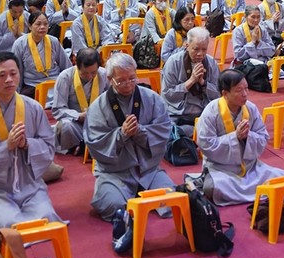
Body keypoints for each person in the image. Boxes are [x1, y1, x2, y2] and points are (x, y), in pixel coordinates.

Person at [0, 52, 61, 237]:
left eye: (13, 74)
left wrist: (27, 144)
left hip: (29, 183)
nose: (9, 80)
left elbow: (48, 145)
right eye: (2, 75)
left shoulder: (33, 108)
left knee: (47, 220)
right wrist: (6, 146)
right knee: (10, 226)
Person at [84, 53, 174, 221]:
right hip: (115, 173)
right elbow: (95, 143)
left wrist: (140, 132)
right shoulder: (98, 107)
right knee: (113, 205)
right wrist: (121, 135)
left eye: (132, 78)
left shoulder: (152, 98)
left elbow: (163, 130)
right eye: (121, 81)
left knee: (172, 200)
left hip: (148, 170)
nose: (128, 84)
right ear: (110, 79)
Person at [195, 69, 284, 205]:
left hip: (250, 167)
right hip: (221, 169)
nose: (245, 94)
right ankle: (258, 192)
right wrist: (235, 137)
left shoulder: (251, 108)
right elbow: (205, 144)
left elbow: (263, 137)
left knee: (282, 176)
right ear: (225, 93)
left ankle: (246, 192)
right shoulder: (211, 112)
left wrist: (247, 136)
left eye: (246, 88)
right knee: (212, 188)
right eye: (239, 90)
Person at [160, 27, 220, 136]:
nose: (200, 54)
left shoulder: (211, 63)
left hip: (204, 112)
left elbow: (219, 94)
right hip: (178, 114)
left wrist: (203, 83)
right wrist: (191, 81)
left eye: (204, 49)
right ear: (187, 46)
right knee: (168, 133)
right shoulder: (173, 62)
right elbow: (166, 94)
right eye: (196, 49)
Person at [52, 48, 107, 155]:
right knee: (65, 126)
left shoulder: (104, 75)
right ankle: (82, 146)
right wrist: (78, 115)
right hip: (76, 123)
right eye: (85, 73)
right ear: (77, 66)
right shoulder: (65, 77)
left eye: (93, 73)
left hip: (99, 122)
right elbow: (58, 109)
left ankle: (84, 146)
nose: (89, 76)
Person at [11, 10, 71, 97]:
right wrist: (16, 92)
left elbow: (65, 64)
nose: (42, 27)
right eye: (38, 24)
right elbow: (17, 70)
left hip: (54, 81)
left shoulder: (53, 41)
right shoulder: (20, 44)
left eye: (45, 24)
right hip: (32, 84)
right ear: (30, 26)